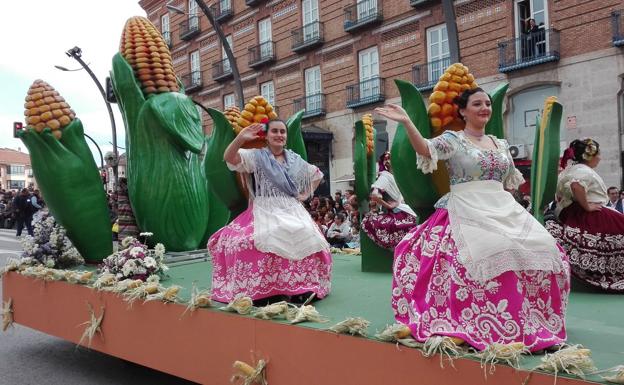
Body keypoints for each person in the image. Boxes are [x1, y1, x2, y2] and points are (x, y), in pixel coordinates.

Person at [375, 88, 569, 352]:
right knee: (485, 251)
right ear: (463, 111)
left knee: (548, 248)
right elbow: (426, 149)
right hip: (464, 206)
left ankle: (532, 317)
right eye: (477, 104)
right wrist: (408, 121)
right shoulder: (453, 139)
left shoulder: (499, 143)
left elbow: (508, 185)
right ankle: (482, 319)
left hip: (500, 206)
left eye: (488, 103)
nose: (485, 108)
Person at [208, 120, 332, 303]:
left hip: (291, 208)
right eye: (274, 131)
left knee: (311, 236)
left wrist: (305, 195)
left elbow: (316, 174)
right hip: (264, 208)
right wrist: (240, 138)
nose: (279, 135)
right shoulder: (256, 156)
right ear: (266, 136)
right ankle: (265, 290)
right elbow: (229, 157)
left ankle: (301, 288)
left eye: (282, 131)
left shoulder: (295, 160)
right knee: (253, 239)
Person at [546, 139, 624, 292]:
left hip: (575, 212)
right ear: (590, 155)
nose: (600, 158)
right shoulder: (582, 171)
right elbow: (576, 185)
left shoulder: (570, 170)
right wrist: (587, 206)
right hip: (588, 214)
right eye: (599, 154)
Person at [361, 151, 418, 250]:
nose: (387, 161)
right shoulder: (385, 176)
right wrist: (388, 205)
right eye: (386, 159)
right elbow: (374, 195)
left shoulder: (399, 175)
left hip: (404, 209)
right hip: (397, 212)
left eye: (389, 158)